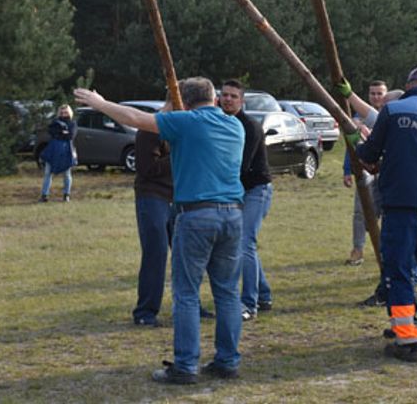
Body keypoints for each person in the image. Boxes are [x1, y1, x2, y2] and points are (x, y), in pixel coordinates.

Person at [75, 79, 245, 384]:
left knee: (187, 293)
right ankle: (227, 361)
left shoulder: (187, 122)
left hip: (197, 214)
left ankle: (185, 366)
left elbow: (135, 119)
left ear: (186, 102)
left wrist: (99, 103)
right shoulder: (236, 126)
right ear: (215, 99)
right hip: (233, 214)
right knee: (228, 292)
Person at [357, 66, 417, 361]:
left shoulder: (393, 111)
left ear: (408, 85)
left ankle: (406, 339)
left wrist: (358, 146)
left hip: (399, 206)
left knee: (398, 270)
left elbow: (370, 154)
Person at [219, 79, 274, 321]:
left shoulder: (250, 126)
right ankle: (263, 294)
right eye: (225, 95)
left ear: (242, 101)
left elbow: (242, 166)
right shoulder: (220, 123)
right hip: (237, 190)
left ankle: (248, 304)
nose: (228, 99)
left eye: (233, 96)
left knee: (244, 242)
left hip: (256, 189)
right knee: (246, 243)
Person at [342, 80, 387, 272]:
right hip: (367, 169)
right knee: (361, 211)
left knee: (385, 214)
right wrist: (347, 170)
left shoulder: (388, 115)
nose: (376, 97)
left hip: (386, 173)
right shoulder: (358, 118)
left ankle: (384, 251)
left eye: (380, 93)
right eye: (373, 93)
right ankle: (358, 249)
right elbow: (351, 148)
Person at [133, 126, 176, 327]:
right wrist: (179, 155)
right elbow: (147, 169)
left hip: (177, 197)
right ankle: (145, 312)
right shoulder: (149, 130)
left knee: (185, 255)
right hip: (153, 197)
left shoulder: (181, 127)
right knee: (155, 254)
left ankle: (189, 306)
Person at [40, 105, 77, 203]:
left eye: (65, 112)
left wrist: (62, 134)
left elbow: (70, 135)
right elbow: (52, 132)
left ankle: (66, 194)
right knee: (48, 173)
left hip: (66, 151)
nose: (63, 114)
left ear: (69, 113)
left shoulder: (72, 123)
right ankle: (44, 195)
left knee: (67, 174)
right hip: (53, 150)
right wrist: (62, 133)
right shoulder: (54, 123)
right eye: (61, 112)